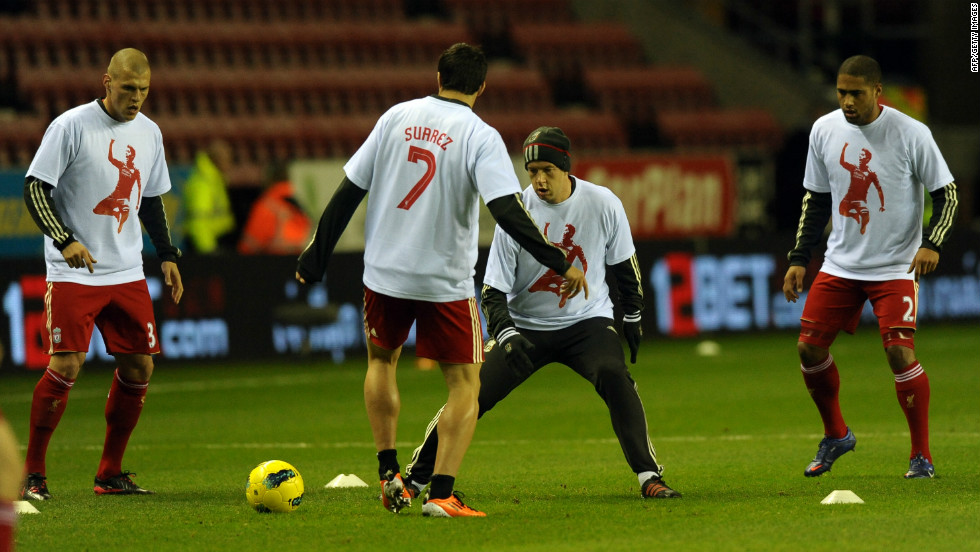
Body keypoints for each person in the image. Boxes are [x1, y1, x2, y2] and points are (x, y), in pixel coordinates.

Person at [296, 43, 587, 518]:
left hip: (384, 274)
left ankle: (389, 470)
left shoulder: (395, 118)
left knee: (381, 361)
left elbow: (351, 188)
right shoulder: (480, 135)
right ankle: (441, 494)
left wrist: (316, 254)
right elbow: (506, 210)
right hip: (443, 281)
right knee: (464, 384)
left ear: (438, 76)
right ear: (482, 86)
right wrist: (557, 260)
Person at [403, 126, 681, 500]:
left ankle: (649, 476)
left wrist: (632, 316)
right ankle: (417, 478)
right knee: (471, 394)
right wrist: (506, 334)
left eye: (547, 170)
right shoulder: (517, 212)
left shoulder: (603, 203)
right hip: (524, 328)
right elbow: (492, 291)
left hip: (587, 323)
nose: (539, 180)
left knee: (614, 374)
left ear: (566, 167)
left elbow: (625, 268)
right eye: (532, 171)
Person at [782, 55, 959, 479]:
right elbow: (816, 200)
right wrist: (798, 258)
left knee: (899, 352)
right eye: (841, 92)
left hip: (896, 266)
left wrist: (932, 243)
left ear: (877, 92)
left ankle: (921, 456)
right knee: (808, 347)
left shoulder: (911, 132)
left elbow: (948, 194)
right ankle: (837, 435)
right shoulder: (824, 130)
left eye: (856, 93)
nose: (846, 101)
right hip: (841, 263)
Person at [20, 48, 183, 500]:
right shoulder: (70, 126)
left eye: (144, 90)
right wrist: (64, 238)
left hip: (127, 269)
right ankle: (32, 472)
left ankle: (109, 473)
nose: (136, 98)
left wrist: (167, 253)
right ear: (106, 82)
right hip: (75, 272)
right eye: (128, 88)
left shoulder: (150, 133)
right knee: (67, 364)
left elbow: (150, 199)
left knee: (139, 365)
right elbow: (35, 187)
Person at [237, 161, 312, 255]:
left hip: (274, 262)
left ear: (269, 179)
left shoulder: (267, 205)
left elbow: (250, 244)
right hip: (299, 262)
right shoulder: (298, 206)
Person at [183, 138, 236, 254]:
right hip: (206, 246)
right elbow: (198, 221)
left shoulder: (214, 180)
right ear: (217, 160)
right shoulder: (203, 184)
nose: (230, 164)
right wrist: (209, 251)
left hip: (213, 242)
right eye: (228, 159)